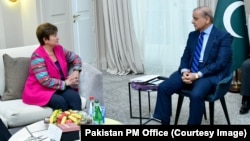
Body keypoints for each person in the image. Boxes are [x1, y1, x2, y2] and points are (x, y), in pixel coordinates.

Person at [153, 6, 233, 125]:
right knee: (163, 88)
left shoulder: (223, 37)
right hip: (190, 70)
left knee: (196, 95)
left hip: (208, 73)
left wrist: (197, 75)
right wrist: (184, 71)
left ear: (207, 19)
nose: (192, 21)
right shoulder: (193, 35)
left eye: (195, 19)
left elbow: (220, 63)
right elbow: (185, 57)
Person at [22, 22, 82, 111]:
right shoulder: (37, 56)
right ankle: (65, 124)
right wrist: (65, 83)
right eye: (54, 36)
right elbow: (45, 81)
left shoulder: (59, 49)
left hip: (58, 88)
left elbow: (76, 58)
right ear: (45, 39)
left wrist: (76, 71)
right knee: (60, 102)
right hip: (40, 90)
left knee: (75, 98)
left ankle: (77, 123)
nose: (58, 38)